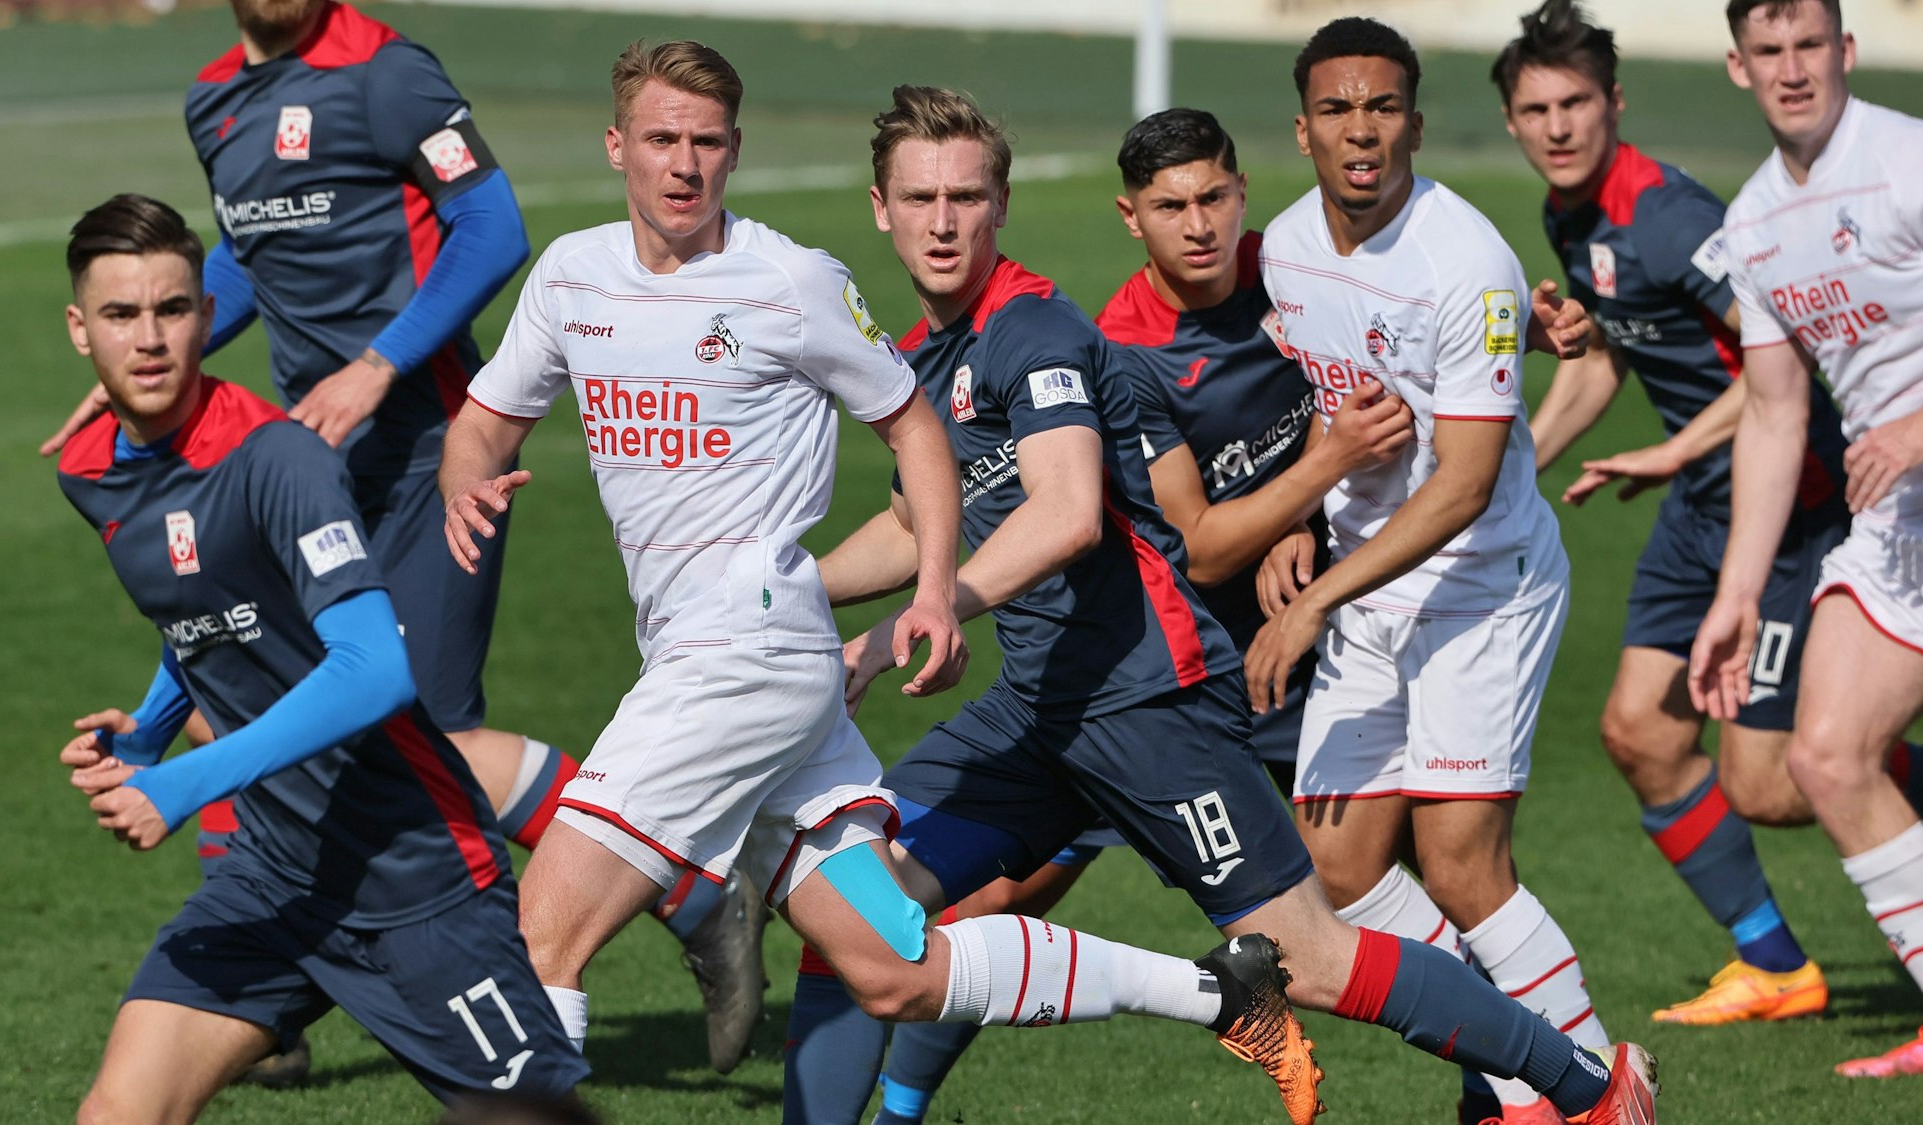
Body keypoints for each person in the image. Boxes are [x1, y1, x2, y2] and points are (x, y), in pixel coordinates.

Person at [438, 40, 1294, 1119]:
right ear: (619, 145)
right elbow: (481, 421)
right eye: (661, 139)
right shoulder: (571, 277)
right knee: (888, 959)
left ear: (735, 152)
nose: (682, 164)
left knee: (543, 933)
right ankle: (1214, 993)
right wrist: (465, 482)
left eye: (706, 143)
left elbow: (917, 430)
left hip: (741, 656)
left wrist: (936, 586)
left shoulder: (791, 281)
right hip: (730, 660)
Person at [784, 81, 1654, 1125]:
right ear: (879, 208)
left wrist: (904, 625)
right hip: (1041, 708)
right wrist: (778, 587)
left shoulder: (1033, 332)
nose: (940, 221)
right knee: (850, 910)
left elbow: (1065, 514)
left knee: (1316, 958)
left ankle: (1591, 1094)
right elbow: (914, 523)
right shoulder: (933, 359)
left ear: (999, 206)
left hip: (1148, 702)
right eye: (918, 199)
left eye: (964, 196)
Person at [43, 0, 770, 1075]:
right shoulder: (213, 100)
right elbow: (247, 264)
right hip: (308, 459)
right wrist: (156, 359)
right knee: (257, 685)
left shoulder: (388, 73)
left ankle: (690, 887)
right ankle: (271, 983)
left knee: (409, 727)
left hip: (430, 450)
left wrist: (378, 365)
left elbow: (493, 230)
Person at [863, 106, 1419, 1125]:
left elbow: (1387, 388)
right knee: (983, 901)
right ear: (1130, 217)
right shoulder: (1113, 344)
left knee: (1361, 894)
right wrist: (1317, 477)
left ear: (1242, 193)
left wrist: (1316, 506)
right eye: (1170, 206)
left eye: (1213, 198)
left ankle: (1539, 1066)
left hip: (1232, 661)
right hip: (1123, 668)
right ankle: (898, 1111)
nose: (1196, 225)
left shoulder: (1293, 280)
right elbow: (1200, 539)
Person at [52, 193, 588, 1123]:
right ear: (78, 329)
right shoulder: (93, 469)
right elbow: (206, 611)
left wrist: (184, 783)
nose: (149, 339)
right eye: (121, 314)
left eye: (173, 310)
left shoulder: (279, 461)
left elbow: (375, 668)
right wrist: (148, 733)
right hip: (268, 878)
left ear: (209, 316)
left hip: (414, 881)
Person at [1247, 17, 1641, 1123]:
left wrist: (1314, 596)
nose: (1358, 131)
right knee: (1331, 868)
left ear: (1413, 123)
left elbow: (1462, 484)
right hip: (1368, 586)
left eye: (1380, 108)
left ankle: (1597, 1092)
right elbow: (1324, 389)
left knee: (1461, 862)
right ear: (1303, 129)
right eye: (1336, 110)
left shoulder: (1464, 260)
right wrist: (1298, 515)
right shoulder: (1283, 246)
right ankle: (1515, 1062)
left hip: (1479, 582)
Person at [1497, 0, 1877, 1029]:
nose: (1558, 126)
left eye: (1575, 102)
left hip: (1789, 505)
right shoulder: (1567, 217)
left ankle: (1877, 784)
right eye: (1535, 108)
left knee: (1771, 778)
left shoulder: (1669, 216)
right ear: (1510, 124)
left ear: (1612, 103)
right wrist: (1501, 476)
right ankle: (1774, 966)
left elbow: (1781, 361)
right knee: (1637, 733)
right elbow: (1604, 361)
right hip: (1693, 510)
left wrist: (1669, 447)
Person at [1691, 0, 1923, 1079]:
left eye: (1807, 45)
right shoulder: (1749, 224)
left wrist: (1915, 424)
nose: (1791, 69)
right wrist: (1736, 594)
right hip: (1894, 523)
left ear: (1845, 50)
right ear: (1738, 68)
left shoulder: (1903, 160)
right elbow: (1776, 416)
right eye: (1767, 51)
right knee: (1823, 757)